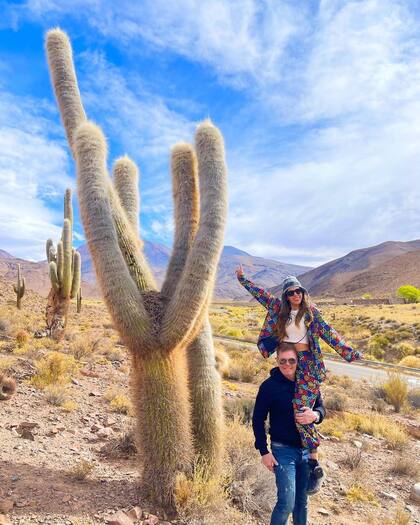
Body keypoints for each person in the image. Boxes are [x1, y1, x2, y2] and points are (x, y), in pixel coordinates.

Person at [236, 265, 362, 494]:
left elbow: (329, 333)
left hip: (308, 363)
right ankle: (292, 457)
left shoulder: (311, 312)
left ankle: (313, 463)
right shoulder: (277, 308)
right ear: (285, 296)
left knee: (304, 410)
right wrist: (243, 279)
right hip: (288, 360)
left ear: (304, 293)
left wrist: (350, 353)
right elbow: (260, 294)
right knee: (284, 404)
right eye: (290, 292)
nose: (295, 295)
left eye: (298, 291)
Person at [253, 342, 325, 525]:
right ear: (277, 360)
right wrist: (264, 451)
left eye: (291, 360)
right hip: (282, 450)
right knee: (287, 502)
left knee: (302, 502)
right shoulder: (269, 387)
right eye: (282, 361)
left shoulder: (308, 383)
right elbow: (257, 419)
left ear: (298, 360)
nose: (287, 365)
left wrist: (315, 415)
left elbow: (321, 408)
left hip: (306, 451)